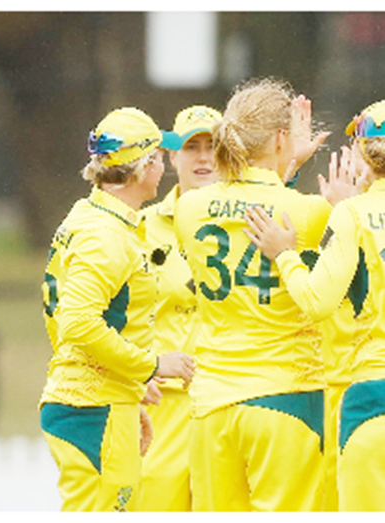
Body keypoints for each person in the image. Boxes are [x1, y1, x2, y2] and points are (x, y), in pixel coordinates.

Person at [173, 77, 332, 511]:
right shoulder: (309, 211)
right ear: (282, 138)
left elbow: (241, 203)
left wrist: (284, 167)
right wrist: (292, 168)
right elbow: (280, 210)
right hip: (284, 396)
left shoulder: (188, 208)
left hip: (211, 402)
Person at [39, 107, 196, 512]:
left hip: (98, 399)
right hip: (94, 407)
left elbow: (66, 317)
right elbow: (78, 323)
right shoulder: (106, 235)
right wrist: (152, 365)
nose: (164, 168)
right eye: (160, 158)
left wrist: (129, 384)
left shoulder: (90, 217)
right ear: (144, 168)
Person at [244, 99, 385, 511]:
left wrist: (284, 254)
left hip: (369, 399)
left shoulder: (353, 215)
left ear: (360, 152)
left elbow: (317, 302)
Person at [128, 104, 222, 512]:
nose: (203, 158)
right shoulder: (141, 226)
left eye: (212, 147)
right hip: (162, 402)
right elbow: (117, 313)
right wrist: (133, 372)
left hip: (224, 399)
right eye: (191, 147)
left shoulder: (253, 221)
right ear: (170, 156)